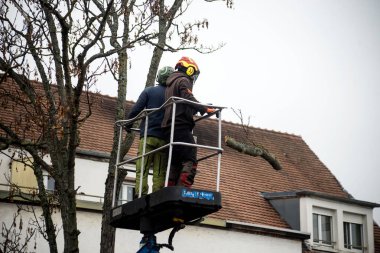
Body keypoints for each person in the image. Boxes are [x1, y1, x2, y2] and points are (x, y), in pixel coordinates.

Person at [161, 56, 216, 187]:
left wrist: (199, 109)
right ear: (190, 70)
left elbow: (183, 104)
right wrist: (204, 108)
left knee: (175, 161)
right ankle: (184, 188)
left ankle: (170, 188)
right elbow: (188, 97)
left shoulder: (171, 84)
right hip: (180, 125)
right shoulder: (183, 80)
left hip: (169, 127)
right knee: (190, 158)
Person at [126, 66, 174, 197]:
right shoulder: (173, 95)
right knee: (159, 171)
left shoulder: (149, 91)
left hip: (148, 136)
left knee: (142, 167)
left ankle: (140, 193)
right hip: (164, 139)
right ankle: (157, 195)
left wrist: (128, 124)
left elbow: (136, 110)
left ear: (159, 77)